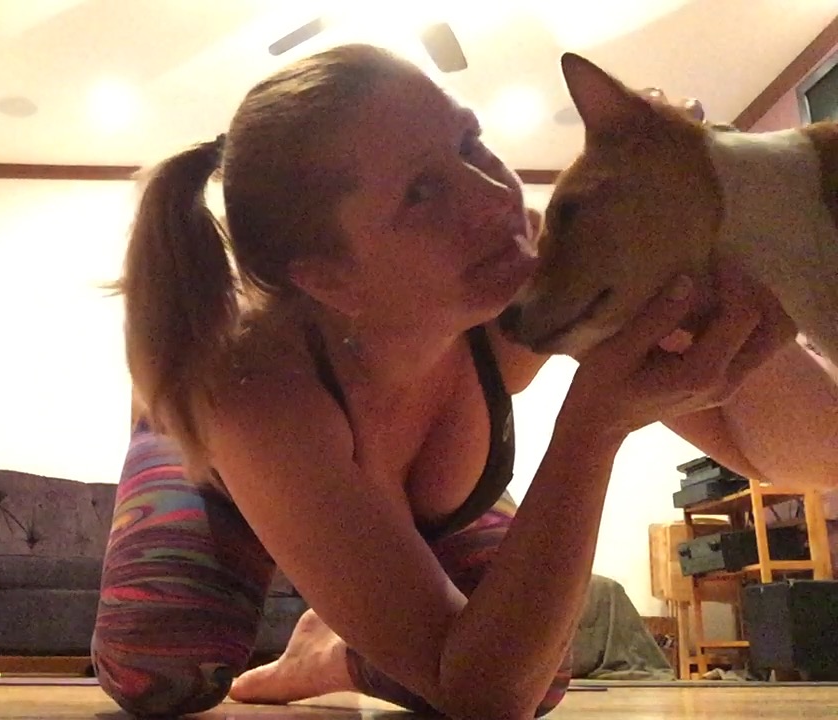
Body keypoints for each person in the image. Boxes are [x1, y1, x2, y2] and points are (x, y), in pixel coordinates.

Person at [91, 43, 832, 719]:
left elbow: (801, 453)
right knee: (160, 673)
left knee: (538, 665)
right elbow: (486, 697)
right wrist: (593, 429)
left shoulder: (528, 267)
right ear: (329, 279)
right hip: (219, 459)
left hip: (425, 499)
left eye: (470, 142)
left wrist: (727, 246)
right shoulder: (257, 392)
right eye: (420, 193)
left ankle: (334, 650)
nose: (494, 199)